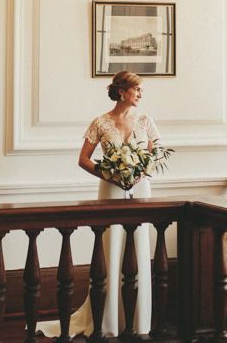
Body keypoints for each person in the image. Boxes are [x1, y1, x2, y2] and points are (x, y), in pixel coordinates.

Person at [36, 70, 161, 339]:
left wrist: (138, 174)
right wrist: (110, 174)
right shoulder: (101, 123)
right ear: (121, 91)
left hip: (140, 189)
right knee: (111, 247)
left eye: (141, 90)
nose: (140, 94)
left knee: (139, 249)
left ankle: (140, 322)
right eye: (137, 89)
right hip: (111, 190)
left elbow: (154, 154)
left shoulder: (145, 120)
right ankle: (109, 322)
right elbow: (83, 159)